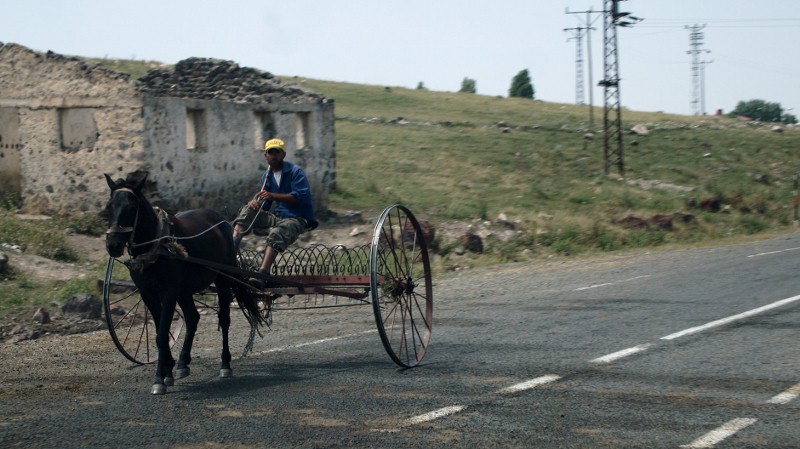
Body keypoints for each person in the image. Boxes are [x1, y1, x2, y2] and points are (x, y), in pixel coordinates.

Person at [232, 138, 317, 288]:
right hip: (278, 217)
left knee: (277, 232)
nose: (273, 156)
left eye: (277, 152)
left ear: (283, 155)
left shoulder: (295, 172)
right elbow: (265, 205)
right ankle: (230, 251)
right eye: (270, 152)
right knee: (247, 210)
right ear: (265, 155)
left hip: (297, 217)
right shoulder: (267, 176)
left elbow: (299, 197)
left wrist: (272, 195)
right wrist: (256, 204)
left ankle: (262, 274)